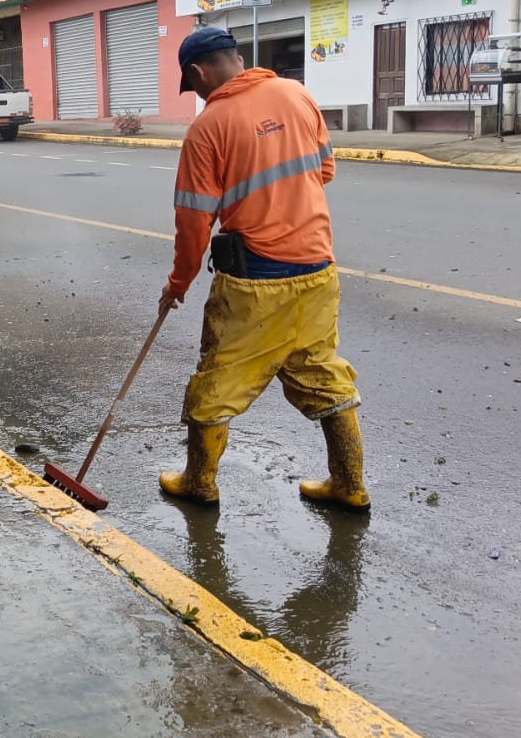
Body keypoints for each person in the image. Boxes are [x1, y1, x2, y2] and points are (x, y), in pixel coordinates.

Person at [157, 27, 367, 510]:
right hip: (318, 270)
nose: (198, 94)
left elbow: (193, 222)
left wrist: (178, 283)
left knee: (216, 383)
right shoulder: (297, 94)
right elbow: (325, 170)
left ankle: (199, 481)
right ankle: (349, 483)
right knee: (323, 374)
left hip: (255, 284)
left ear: (198, 72)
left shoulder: (208, 127)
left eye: (193, 86)